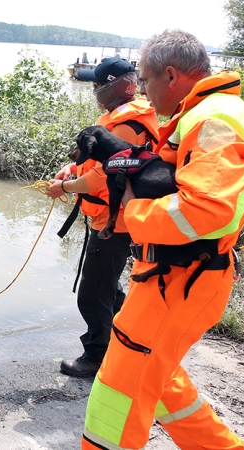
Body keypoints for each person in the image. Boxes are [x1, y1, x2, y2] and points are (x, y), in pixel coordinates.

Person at [80, 30, 244, 449]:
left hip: (181, 279)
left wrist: (130, 213)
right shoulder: (206, 113)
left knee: (117, 397)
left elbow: (206, 209)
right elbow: (176, 180)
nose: (142, 91)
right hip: (174, 276)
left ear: (170, 74)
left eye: (145, 81)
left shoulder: (213, 120)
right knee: (162, 385)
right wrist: (128, 157)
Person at [45, 57, 160, 377]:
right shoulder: (121, 119)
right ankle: (133, 340)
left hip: (116, 223)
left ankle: (97, 357)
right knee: (108, 288)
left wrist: (64, 187)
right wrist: (71, 169)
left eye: (98, 84)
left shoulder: (126, 125)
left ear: (119, 86)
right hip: (115, 219)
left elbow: (98, 180)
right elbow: (96, 166)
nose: (94, 90)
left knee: (92, 294)